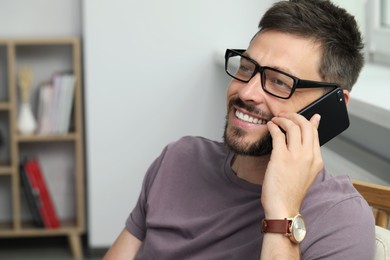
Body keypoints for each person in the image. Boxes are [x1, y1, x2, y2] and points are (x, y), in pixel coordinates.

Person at [105, 0, 375, 259]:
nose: (246, 92)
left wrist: (283, 211)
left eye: (280, 82)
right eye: (246, 68)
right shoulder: (178, 158)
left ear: (331, 106)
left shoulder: (341, 218)